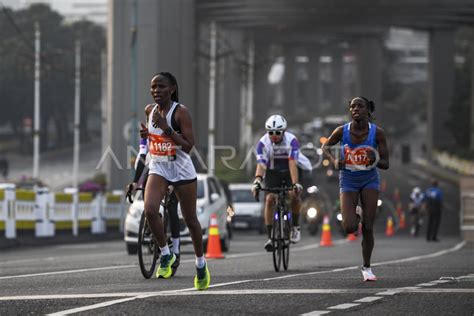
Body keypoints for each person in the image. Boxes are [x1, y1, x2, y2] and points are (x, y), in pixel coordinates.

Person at [142, 72, 209, 290]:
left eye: (161, 87)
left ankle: (200, 264)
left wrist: (166, 128)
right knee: (150, 210)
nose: (156, 91)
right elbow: (153, 139)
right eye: (153, 87)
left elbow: (188, 146)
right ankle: (165, 253)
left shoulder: (180, 112)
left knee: (190, 220)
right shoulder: (149, 111)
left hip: (181, 169)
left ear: (171, 89)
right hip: (159, 166)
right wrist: (148, 135)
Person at [321, 96, 389, 282]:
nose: (355, 109)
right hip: (349, 180)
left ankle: (367, 267)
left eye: (360, 106)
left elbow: (386, 163)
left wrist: (373, 158)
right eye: (352, 106)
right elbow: (325, 146)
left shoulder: (378, 133)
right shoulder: (342, 131)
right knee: (349, 227)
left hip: (369, 180)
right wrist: (335, 161)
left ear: (368, 110)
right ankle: (355, 213)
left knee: (368, 226)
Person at [251, 114, 311, 251]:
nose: (274, 135)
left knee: (293, 194)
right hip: (272, 170)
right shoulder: (263, 143)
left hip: (291, 169)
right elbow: (261, 164)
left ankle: (295, 226)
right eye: (271, 132)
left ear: (283, 131)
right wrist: (257, 180)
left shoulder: (292, 140)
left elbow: (292, 163)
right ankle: (270, 237)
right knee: (270, 199)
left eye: (277, 132)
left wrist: (295, 184)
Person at [126, 136, 182, 275]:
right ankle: (153, 223)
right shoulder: (147, 133)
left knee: (172, 207)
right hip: (154, 170)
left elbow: (180, 157)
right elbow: (142, 156)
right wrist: (134, 182)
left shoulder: (169, 127)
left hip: (172, 168)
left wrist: (174, 184)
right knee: (148, 198)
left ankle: (175, 250)